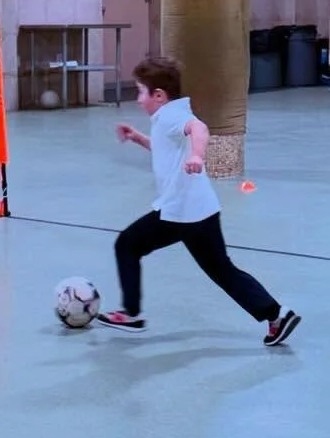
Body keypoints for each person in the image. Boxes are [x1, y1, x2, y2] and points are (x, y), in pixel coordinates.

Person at [97, 55, 300, 346]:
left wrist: (197, 155)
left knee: (127, 244)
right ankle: (277, 315)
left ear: (158, 95)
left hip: (179, 213)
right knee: (222, 270)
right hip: (202, 210)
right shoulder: (167, 115)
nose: (138, 99)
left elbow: (198, 129)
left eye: (141, 92)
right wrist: (138, 138)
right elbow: (168, 149)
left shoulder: (171, 115)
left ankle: (131, 314)